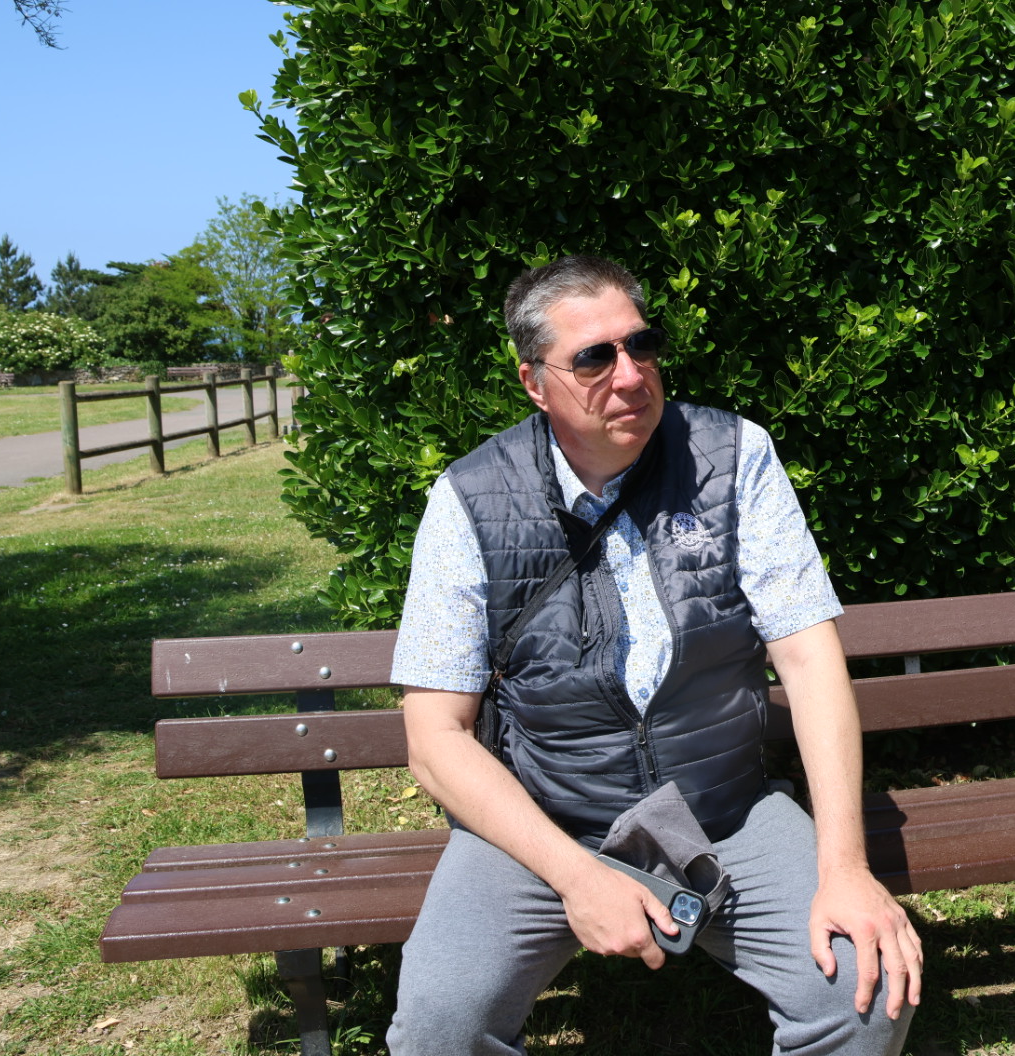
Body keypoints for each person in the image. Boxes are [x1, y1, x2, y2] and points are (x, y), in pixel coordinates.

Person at [385, 255, 922, 1055]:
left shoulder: (734, 456)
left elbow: (810, 661)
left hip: (724, 809)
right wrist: (576, 876)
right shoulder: (469, 500)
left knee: (861, 995)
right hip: (547, 821)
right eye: (594, 358)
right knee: (438, 1029)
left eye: (641, 344)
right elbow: (435, 740)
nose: (632, 375)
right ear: (535, 383)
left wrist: (844, 867)